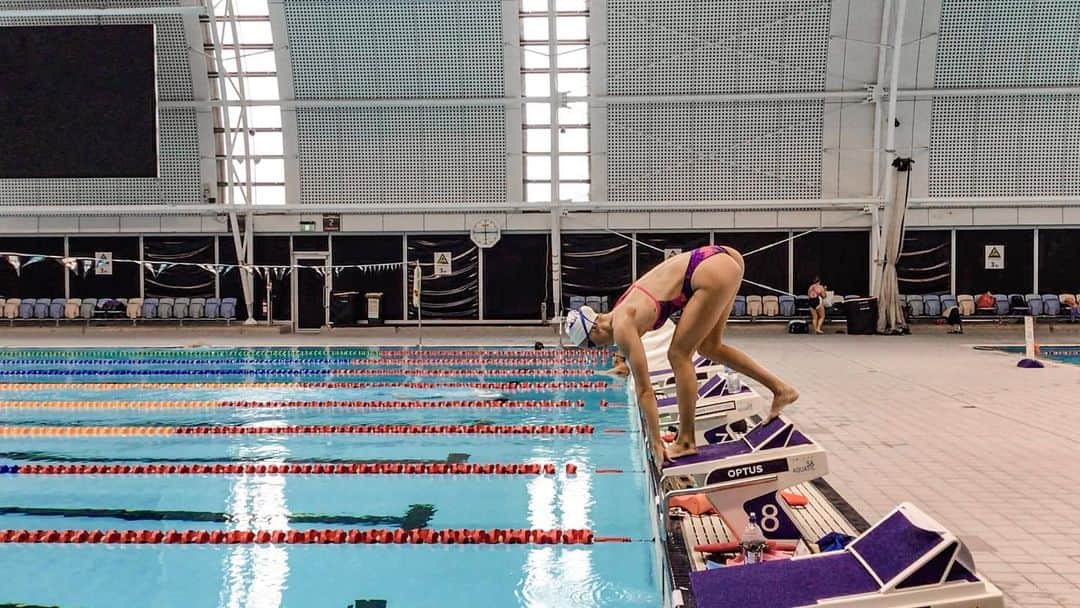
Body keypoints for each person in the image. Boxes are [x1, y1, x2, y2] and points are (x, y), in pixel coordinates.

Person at [564, 245, 799, 465]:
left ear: (595, 328)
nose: (598, 350)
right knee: (710, 347)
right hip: (721, 259)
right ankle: (781, 389)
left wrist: (655, 441)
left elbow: (645, 390)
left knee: (678, 354)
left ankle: (686, 441)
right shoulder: (622, 309)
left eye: (592, 346)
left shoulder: (623, 327)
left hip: (708, 271)